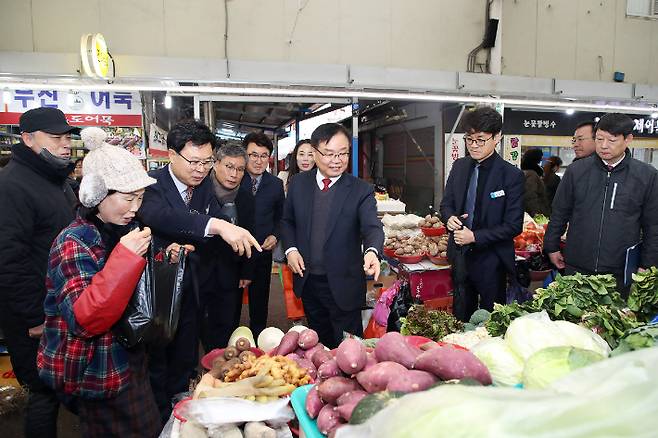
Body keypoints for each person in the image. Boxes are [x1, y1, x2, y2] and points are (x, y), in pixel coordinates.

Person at [37, 127, 178, 437]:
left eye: (140, 198)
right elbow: (84, 319)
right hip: (97, 372)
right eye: (127, 198)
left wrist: (164, 260)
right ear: (95, 195)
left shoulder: (124, 230)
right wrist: (126, 259)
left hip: (130, 360)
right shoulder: (72, 242)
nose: (135, 208)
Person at [139, 120, 260, 423]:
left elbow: (214, 216)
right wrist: (216, 226)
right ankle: (156, 415)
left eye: (207, 162)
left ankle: (180, 402)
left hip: (193, 284)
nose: (201, 169)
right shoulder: (151, 184)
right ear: (171, 155)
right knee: (157, 358)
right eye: (194, 161)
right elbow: (162, 217)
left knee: (185, 348)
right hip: (158, 292)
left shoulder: (204, 185)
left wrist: (226, 227)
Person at [0, 107, 79, 438]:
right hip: (35, 317)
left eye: (67, 138)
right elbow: (8, 259)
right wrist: (34, 316)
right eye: (56, 138)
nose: (65, 145)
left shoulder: (56, 180)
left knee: (60, 390)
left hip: (60, 309)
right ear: (28, 139)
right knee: (43, 395)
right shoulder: (12, 186)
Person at [281, 123, 384, 348]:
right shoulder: (299, 184)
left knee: (350, 349)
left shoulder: (360, 190)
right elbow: (287, 221)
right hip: (308, 281)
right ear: (316, 153)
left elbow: (372, 227)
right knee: (318, 345)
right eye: (329, 154)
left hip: (343, 284)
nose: (336, 160)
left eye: (342, 153)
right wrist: (291, 249)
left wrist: (372, 251)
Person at [544, 113, 658, 296]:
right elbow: (560, 212)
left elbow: (653, 225)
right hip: (577, 267)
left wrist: (647, 264)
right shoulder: (576, 171)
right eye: (599, 139)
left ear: (628, 139)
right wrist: (551, 246)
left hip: (620, 272)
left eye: (612, 140)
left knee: (612, 321)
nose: (604, 146)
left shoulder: (646, 176)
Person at [439, 106, 524, 319]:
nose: (474, 146)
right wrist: (449, 218)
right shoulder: (459, 167)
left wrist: (475, 236)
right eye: (469, 139)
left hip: (492, 259)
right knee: (461, 315)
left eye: (480, 139)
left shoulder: (511, 176)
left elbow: (513, 225)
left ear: (497, 137)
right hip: (460, 256)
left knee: (490, 319)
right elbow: (446, 204)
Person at [203, 144, 255, 350]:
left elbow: (251, 233)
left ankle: (222, 362)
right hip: (201, 266)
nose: (234, 174)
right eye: (229, 166)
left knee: (226, 321)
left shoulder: (245, 197)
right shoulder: (200, 190)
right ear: (215, 164)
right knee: (199, 322)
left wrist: (247, 270)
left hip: (230, 267)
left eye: (240, 169)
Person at [239, 132, 285, 338]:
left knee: (260, 299)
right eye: (253, 155)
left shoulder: (275, 184)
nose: (258, 161)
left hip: (262, 251)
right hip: (235, 251)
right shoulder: (234, 179)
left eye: (263, 156)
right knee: (231, 300)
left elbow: (281, 216)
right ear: (244, 155)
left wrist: (275, 235)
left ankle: (259, 338)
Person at [521, 148, 550, 216]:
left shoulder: (525, 171)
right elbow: (530, 196)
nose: (541, 159)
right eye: (540, 158)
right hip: (535, 214)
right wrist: (536, 214)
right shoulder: (531, 174)